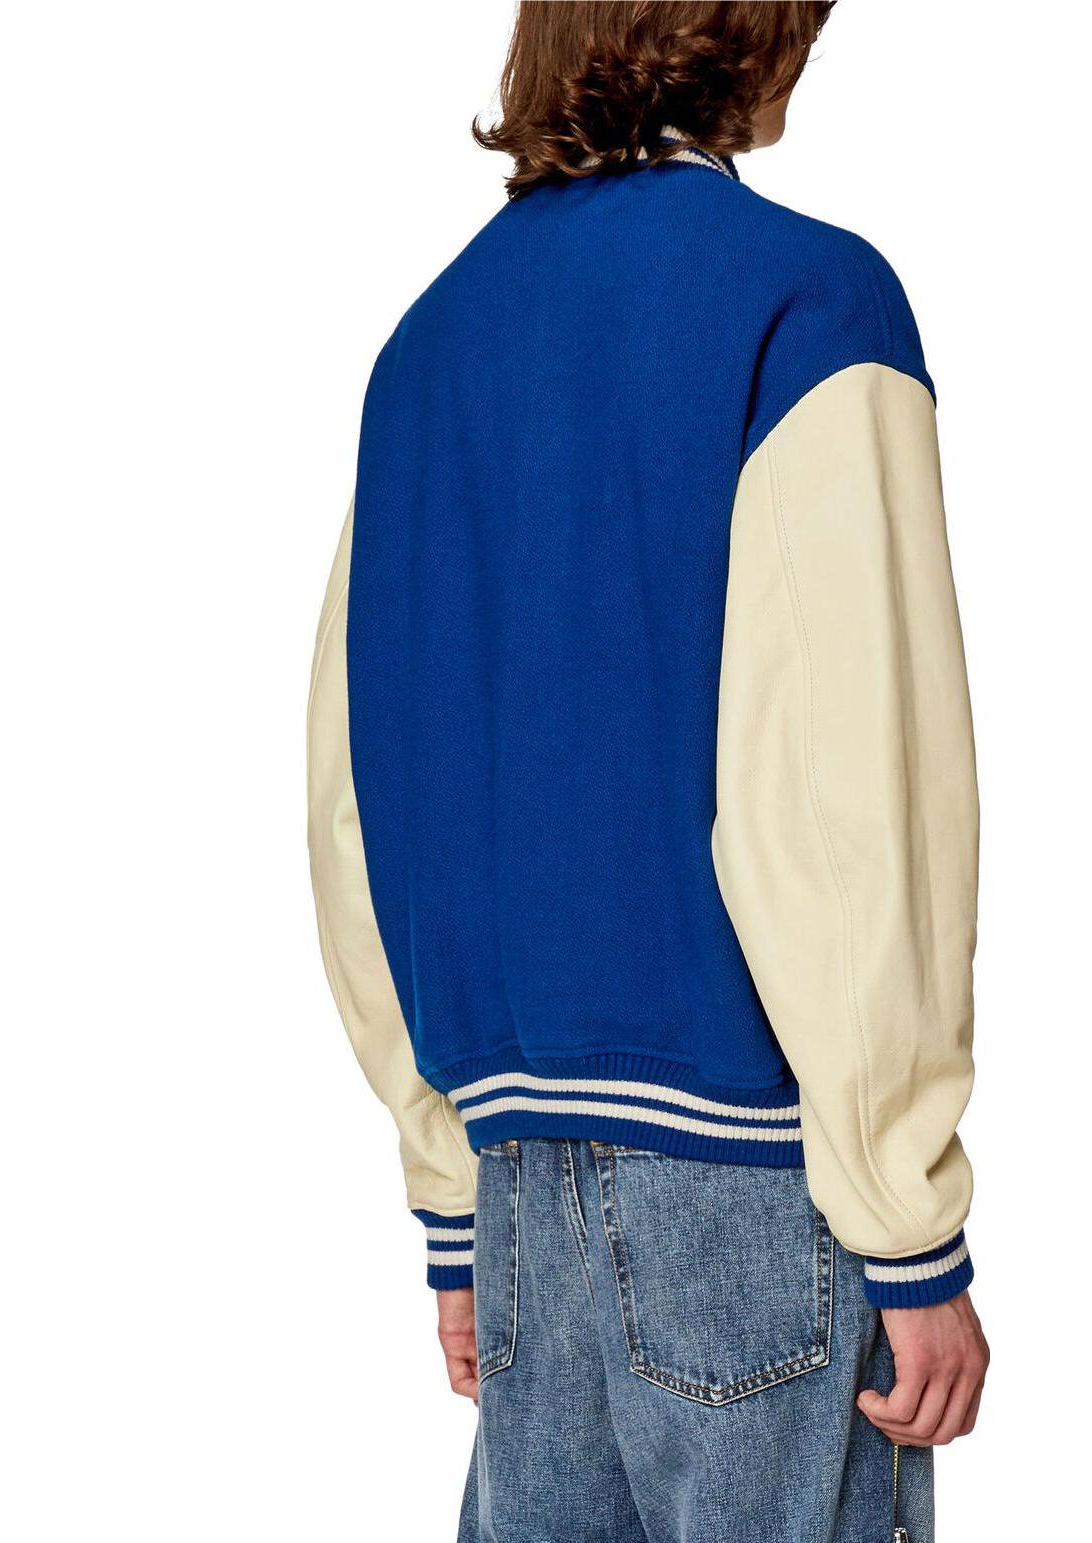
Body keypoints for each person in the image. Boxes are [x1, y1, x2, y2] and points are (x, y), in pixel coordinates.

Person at [307, 3, 989, 1537]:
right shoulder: (807, 300)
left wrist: (450, 1188)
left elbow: (360, 795)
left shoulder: (422, 353)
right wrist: (905, 1217)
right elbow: (848, 789)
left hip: (513, 1192)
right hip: (753, 1184)